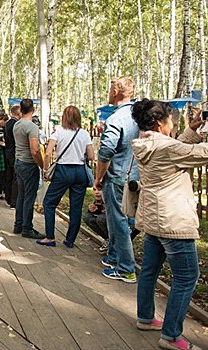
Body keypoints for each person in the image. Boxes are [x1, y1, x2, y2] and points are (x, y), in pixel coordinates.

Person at [132, 100, 207, 350]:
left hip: (154, 218)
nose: (173, 123)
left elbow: (176, 148)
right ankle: (172, 336)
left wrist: (192, 131)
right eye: (171, 119)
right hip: (173, 220)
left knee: (149, 270)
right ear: (159, 122)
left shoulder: (145, 144)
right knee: (187, 277)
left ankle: (145, 317)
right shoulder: (167, 147)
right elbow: (198, 153)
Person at [94, 76, 139, 283]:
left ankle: (126, 268)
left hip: (118, 177)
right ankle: (114, 256)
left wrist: (99, 177)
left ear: (115, 92)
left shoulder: (116, 119)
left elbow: (105, 153)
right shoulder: (140, 115)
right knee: (125, 220)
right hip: (137, 177)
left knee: (118, 222)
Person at [37, 106, 94, 248]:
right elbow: (92, 155)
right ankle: (70, 240)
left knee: (49, 203)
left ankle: (50, 236)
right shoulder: (84, 133)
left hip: (63, 170)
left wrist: (45, 168)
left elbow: (48, 152)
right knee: (76, 207)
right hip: (80, 171)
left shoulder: (58, 132)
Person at [12, 99, 46, 239]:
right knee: (29, 197)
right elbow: (34, 150)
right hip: (28, 164)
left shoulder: (17, 125)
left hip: (19, 161)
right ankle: (27, 227)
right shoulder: (32, 127)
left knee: (21, 195)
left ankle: (18, 224)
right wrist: (41, 164)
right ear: (33, 109)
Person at [4, 105, 20, 208]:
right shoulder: (16, 124)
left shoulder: (7, 124)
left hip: (8, 151)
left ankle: (8, 197)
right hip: (14, 152)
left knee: (9, 176)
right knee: (15, 177)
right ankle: (14, 200)